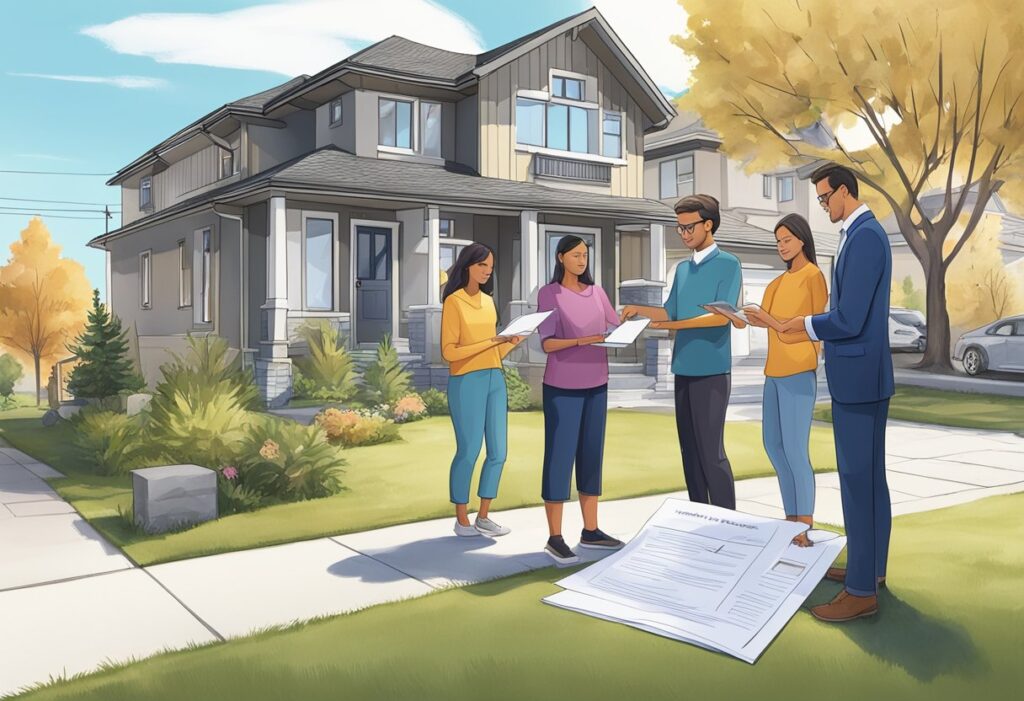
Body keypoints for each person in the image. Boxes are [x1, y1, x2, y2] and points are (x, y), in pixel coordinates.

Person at [776, 164, 894, 622]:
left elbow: (848, 318)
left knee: (857, 482)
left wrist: (801, 324)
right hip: (863, 376)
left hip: (860, 380)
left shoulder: (864, 237)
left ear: (845, 192)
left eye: (825, 198)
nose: (822, 206)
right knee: (870, 481)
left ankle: (862, 591)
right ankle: (872, 569)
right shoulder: (858, 233)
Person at [621, 194, 743, 510]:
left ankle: (728, 522)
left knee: (710, 453)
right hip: (683, 370)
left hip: (712, 371)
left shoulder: (728, 265)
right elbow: (669, 312)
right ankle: (698, 517)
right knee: (689, 451)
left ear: (708, 224)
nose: (685, 234)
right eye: (679, 229)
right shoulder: (684, 269)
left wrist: (676, 327)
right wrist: (641, 310)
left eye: (689, 227)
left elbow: (721, 316)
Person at [740, 214, 828, 547]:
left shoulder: (813, 277)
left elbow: (812, 326)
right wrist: (743, 317)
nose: (781, 246)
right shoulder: (776, 283)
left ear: (802, 240)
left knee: (795, 449)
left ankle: (804, 525)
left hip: (798, 370)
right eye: (777, 241)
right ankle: (790, 519)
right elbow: (771, 323)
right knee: (773, 447)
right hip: (773, 373)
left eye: (786, 240)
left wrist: (772, 322)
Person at [536, 235, 625, 565]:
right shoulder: (549, 294)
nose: (582, 260)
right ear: (560, 258)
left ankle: (591, 531)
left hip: (596, 384)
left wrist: (633, 322)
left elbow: (614, 328)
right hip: (562, 388)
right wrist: (587, 339)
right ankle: (555, 537)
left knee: (591, 456)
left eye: (585, 255)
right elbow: (547, 345)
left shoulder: (598, 292)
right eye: (575, 255)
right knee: (559, 458)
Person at [440, 243, 524, 538]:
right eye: (482, 266)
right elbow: (450, 352)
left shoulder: (488, 302)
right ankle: (461, 519)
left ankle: (484, 516)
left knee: (499, 452)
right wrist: (492, 342)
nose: (488, 272)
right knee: (469, 450)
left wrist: (509, 343)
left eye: (491, 267)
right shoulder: (454, 302)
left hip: (494, 379)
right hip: (466, 381)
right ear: (467, 267)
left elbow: (492, 352)